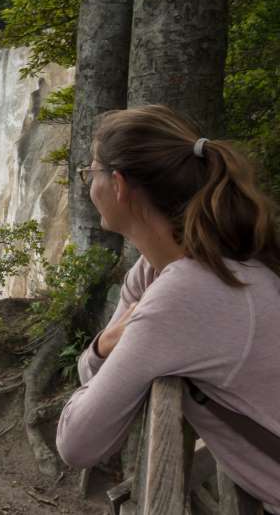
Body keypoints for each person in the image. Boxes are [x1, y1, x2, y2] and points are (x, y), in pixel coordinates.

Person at [55, 104, 280, 511]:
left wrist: (108, 347)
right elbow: (95, 369)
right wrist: (104, 345)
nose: (88, 185)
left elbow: (76, 442)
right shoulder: (170, 266)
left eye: (90, 173)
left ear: (118, 185)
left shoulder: (185, 293)